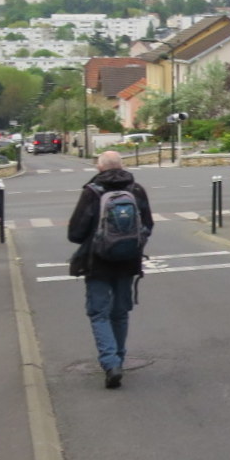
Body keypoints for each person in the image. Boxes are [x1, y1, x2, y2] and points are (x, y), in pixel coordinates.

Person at [66, 150, 153, 389]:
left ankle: (110, 363)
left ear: (99, 168)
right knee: (120, 313)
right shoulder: (136, 190)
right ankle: (119, 360)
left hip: (97, 262)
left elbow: (75, 233)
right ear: (122, 165)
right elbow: (148, 225)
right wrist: (130, 244)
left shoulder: (92, 192)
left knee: (98, 313)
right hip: (128, 262)